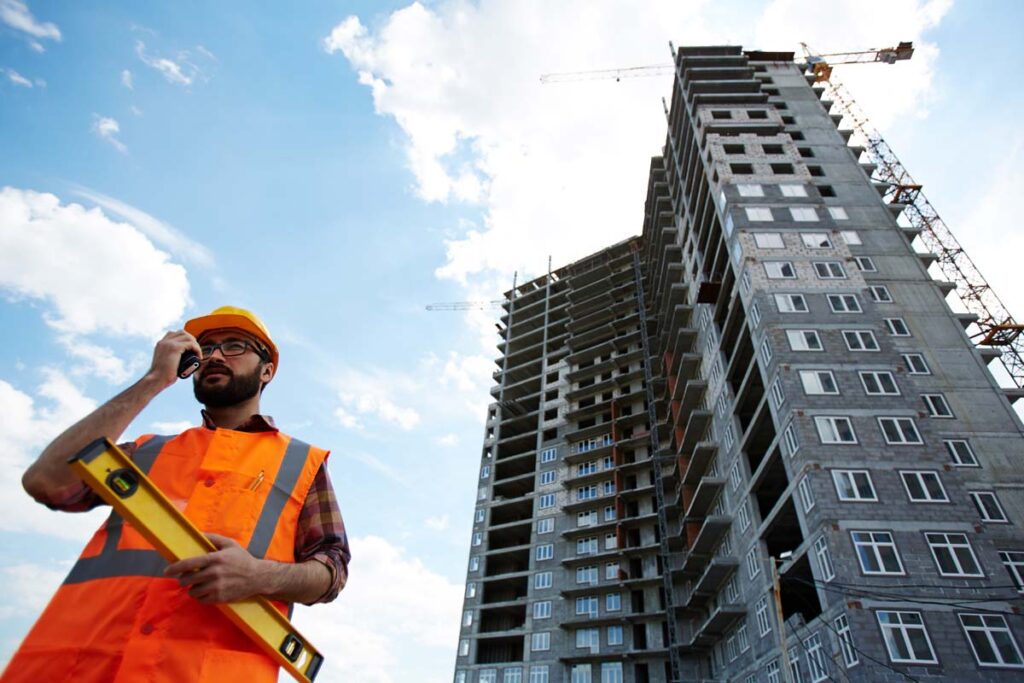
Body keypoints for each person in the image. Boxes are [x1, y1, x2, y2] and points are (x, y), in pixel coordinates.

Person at [4, 306, 350, 682]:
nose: (215, 356)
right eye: (206, 349)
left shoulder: (300, 464)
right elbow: (47, 482)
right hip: (88, 668)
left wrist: (257, 575)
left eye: (235, 346)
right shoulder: (148, 451)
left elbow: (331, 570)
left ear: (267, 371)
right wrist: (153, 379)